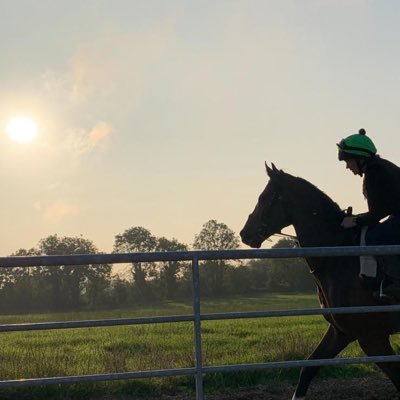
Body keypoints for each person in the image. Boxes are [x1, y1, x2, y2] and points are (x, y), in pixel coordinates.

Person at [337, 128, 400, 299]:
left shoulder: (374, 174)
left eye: (348, 161)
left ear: (360, 158)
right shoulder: (380, 167)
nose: (347, 167)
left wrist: (355, 221)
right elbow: (382, 210)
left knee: (375, 236)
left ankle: (397, 282)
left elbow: (376, 214)